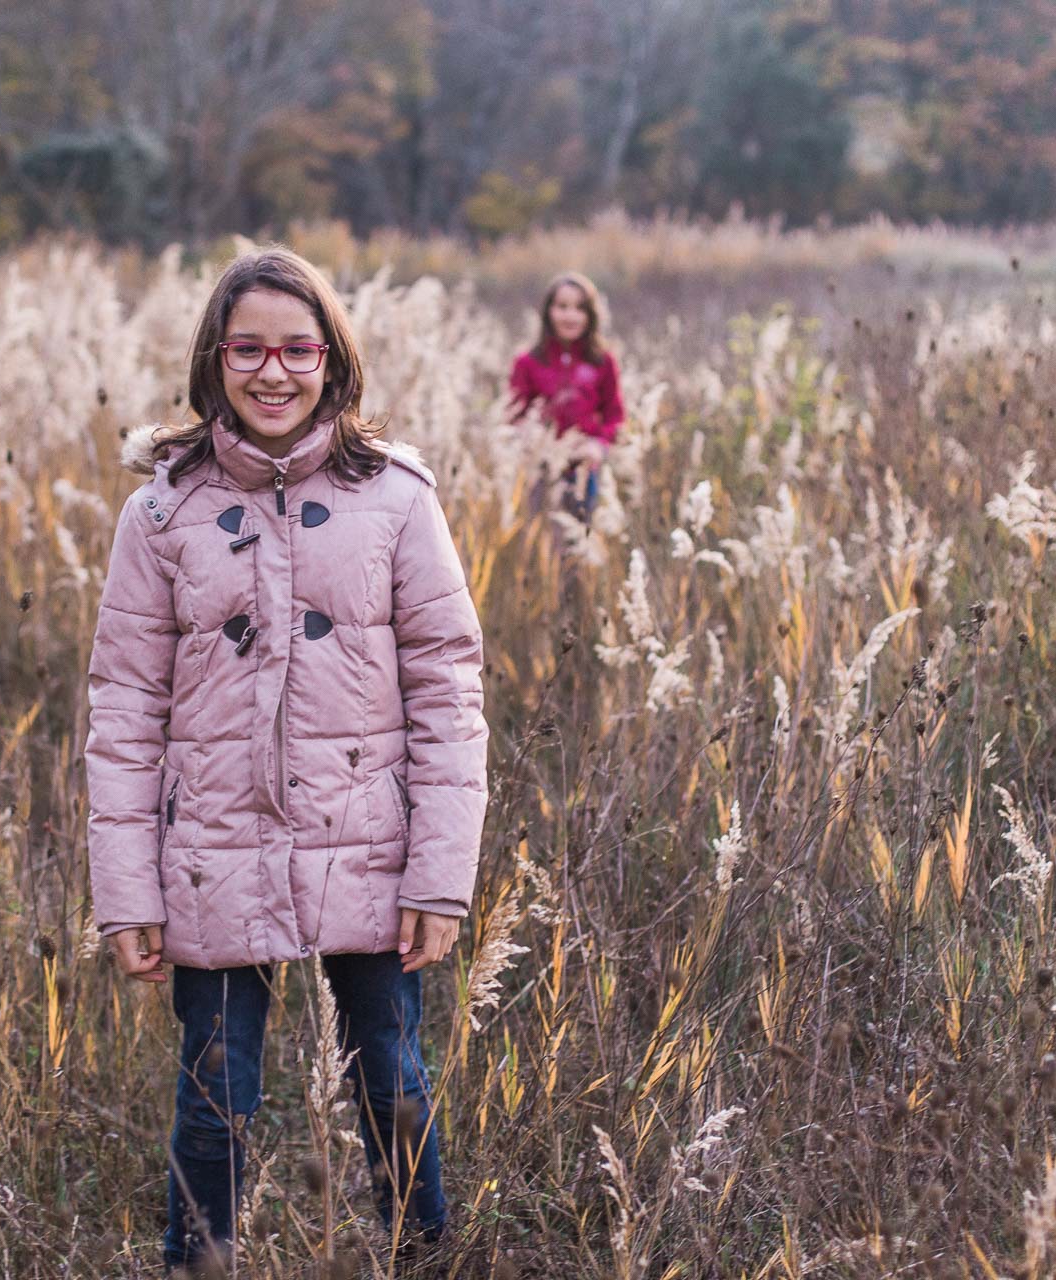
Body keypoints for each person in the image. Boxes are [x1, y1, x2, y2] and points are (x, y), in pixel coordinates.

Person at [84, 246, 489, 1271]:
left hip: (370, 841)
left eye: (297, 348)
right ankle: (200, 1264)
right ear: (215, 359)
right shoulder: (162, 511)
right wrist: (126, 889)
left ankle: (424, 1255)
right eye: (250, 348)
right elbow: (123, 706)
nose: (274, 371)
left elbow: (449, 687)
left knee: (392, 1080)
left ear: (332, 358)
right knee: (217, 1098)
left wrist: (440, 876)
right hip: (218, 848)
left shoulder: (396, 497)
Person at [507, 271, 625, 520]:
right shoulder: (527, 362)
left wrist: (598, 445)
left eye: (579, 308)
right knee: (540, 538)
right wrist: (530, 439)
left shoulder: (602, 362)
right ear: (549, 311)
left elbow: (615, 417)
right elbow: (515, 415)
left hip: (583, 469)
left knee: (578, 538)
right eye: (562, 306)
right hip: (540, 468)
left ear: (590, 315)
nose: (570, 315)